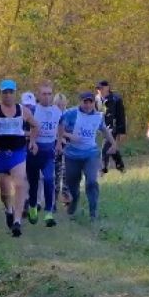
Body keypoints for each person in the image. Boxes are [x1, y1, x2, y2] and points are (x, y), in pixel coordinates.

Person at [0, 79, 39, 238]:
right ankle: (8, 210)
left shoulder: (22, 110)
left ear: (15, 93)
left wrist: (32, 141)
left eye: (11, 92)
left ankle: (17, 221)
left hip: (18, 152)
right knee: (4, 192)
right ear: (1, 93)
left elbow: (35, 126)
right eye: (5, 92)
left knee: (20, 184)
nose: (8, 95)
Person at [58, 92, 117, 222]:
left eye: (90, 102)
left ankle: (93, 212)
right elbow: (60, 129)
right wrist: (68, 137)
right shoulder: (70, 114)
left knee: (91, 181)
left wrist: (113, 143)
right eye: (85, 102)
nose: (88, 105)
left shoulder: (98, 116)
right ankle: (73, 202)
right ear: (80, 102)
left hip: (90, 154)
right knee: (72, 184)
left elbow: (104, 130)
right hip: (72, 155)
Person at [26, 82, 61, 227]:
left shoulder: (58, 110)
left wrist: (59, 142)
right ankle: (33, 207)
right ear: (38, 95)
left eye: (49, 94)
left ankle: (48, 213)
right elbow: (23, 130)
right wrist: (32, 139)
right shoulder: (32, 110)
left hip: (49, 152)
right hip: (34, 151)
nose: (47, 97)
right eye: (44, 94)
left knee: (49, 179)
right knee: (33, 183)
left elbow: (61, 125)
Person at [95, 80, 127, 174]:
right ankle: (121, 167)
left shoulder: (116, 99)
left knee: (105, 148)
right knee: (112, 148)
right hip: (102, 127)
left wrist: (122, 132)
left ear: (107, 88)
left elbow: (121, 116)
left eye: (101, 88)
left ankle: (102, 170)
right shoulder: (96, 99)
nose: (99, 90)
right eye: (98, 89)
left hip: (112, 128)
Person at [52, 92, 71, 208]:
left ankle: (66, 196)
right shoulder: (51, 114)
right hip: (54, 144)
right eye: (58, 104)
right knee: (55, 172)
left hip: (68, 145)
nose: (61, 106)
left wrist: (65, 137)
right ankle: (53, 199)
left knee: (66, 172)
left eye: (62, 104)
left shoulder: (69, 114)